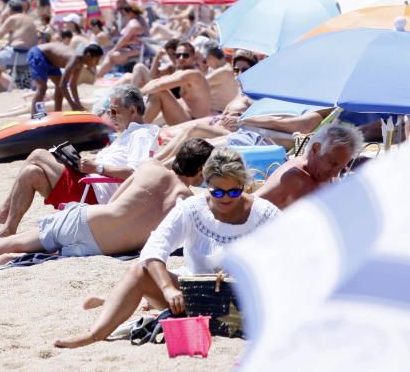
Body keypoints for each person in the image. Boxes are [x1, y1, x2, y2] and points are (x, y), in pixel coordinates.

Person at [54, 148, 280, 348]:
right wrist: (167, 288)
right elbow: (154, 247)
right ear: (206, 183)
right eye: (218, 192)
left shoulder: (263, 212)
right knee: (138, 271)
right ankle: (94, 335)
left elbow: (297, 251)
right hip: (193, 297)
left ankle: (127, 302)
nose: (226, 198)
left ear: (243, 185)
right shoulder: (192, 208)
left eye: (234, 191)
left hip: (246, 300)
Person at [0, 139, 213, 270]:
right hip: (100, 249)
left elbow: (115, 200)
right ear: (200, 169)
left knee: (18, 241)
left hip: (88, 220)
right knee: (48, 253)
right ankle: (6, 262)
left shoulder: (150, 167)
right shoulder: (188, 202)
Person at [0, 85, 159, 236]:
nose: (110, 115)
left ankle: (2, 213)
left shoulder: (141, 134)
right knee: (31, 173)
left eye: (114, 110)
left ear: (132, 110)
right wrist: (86, 163)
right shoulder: (126, 135)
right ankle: (10, 227)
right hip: (90, 186)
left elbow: (137, 173)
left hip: (96, 195)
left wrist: (97, 167)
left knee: (39, 154)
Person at [255, 123, 362, 209]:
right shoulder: (293, 178)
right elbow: (250, 206)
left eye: (340, 168)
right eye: (332, 163)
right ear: (316, 148)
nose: (335, 173)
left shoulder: (324, 175)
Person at [133, 41, 212, 125]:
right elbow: (156, 80)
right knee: (156, 89)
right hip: (185, 116)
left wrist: (135, 94)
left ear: (193, 57)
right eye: (178, 56)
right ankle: (135, 125)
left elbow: (158, 85)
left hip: (193, 121)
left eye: (185, 55)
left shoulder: (193, 74)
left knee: (159, 92)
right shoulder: (179, 72)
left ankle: (135, 128)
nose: (181, 58)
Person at [26, 41, 104, 112]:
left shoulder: (80, 63)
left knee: (58, 87)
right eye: (96, 60)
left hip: (51, 61)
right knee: (42, 88)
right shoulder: (74, 60)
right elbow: (63, 85)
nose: (97, 64)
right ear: (88, 55)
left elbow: (73, 85)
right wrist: (72, 104)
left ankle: (57, 112)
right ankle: (37, 115)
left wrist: (78, 105)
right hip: (38, 54)